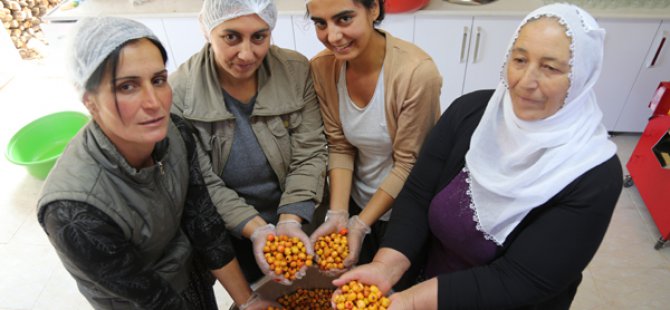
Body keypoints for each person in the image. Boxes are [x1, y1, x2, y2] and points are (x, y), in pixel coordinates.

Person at [334, 3, 623, 309]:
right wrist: (386, 266)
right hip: (428, 283)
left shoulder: (594, 174)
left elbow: (520, 280)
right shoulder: (470, 113)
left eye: (550, 67)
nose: (526, 81)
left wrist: (413, 302)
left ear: (582, 76)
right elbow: (418, 195)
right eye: (520, 59)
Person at [37, 17, 274, 309]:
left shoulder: (175, 132)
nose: (154, 102)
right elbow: (149, 298)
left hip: (190, 276)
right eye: (127, 87)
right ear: (90, 101)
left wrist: (247, 300)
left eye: (158, 80)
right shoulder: (72, 210)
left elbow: (203, 222)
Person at [169, 0, 328, 285]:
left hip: (299, 212)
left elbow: (310, 152)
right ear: (207, 29)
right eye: (231, 36)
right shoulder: (180, 94)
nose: (246, 53)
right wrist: (256, 231)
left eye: (259, 36)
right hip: (234, 227)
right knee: (260, 288)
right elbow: (204, 182)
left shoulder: (294, 70)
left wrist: (290, 219)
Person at [305, 0, 442, 283]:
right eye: (320, 23)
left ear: (374, 9)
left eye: (344, 19)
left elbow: (408, 164)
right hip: (355, 198)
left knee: (393, 292)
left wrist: (360, 225)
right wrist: (340, 215)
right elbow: (341, 146)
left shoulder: (416, 73)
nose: (332, 36)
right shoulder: (322, 68)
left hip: (405, 209)